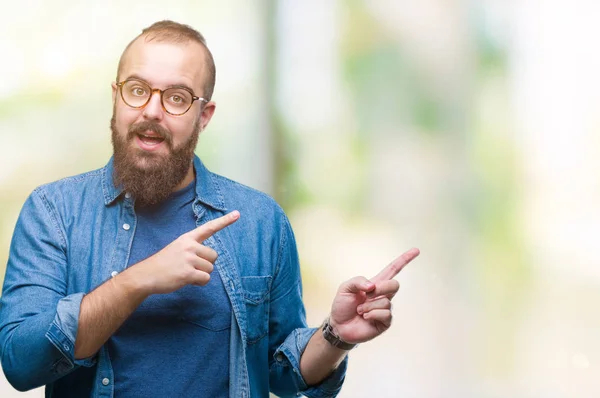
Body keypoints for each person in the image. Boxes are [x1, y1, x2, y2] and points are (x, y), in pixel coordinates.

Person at [0, 20, 420, 398]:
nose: (151, 110)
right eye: (137, 89)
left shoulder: (261, 222)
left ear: (204, 116)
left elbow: (282, 373)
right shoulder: (53, 211)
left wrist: (336, 336)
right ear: (116, 97)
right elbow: (21, 363)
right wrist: (137, 282)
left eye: (178, 98)